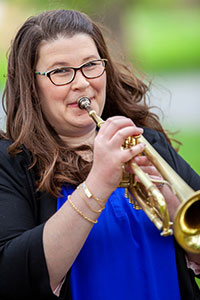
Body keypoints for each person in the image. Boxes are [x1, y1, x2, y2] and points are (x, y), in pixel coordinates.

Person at [0, 9, 199, 300]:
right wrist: (98, 184)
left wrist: (171, 204)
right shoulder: (11, 163)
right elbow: (12, 278)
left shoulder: (147, 142)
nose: (82, 83)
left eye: (91, 65)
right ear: (32, 86)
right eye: (60, 71)